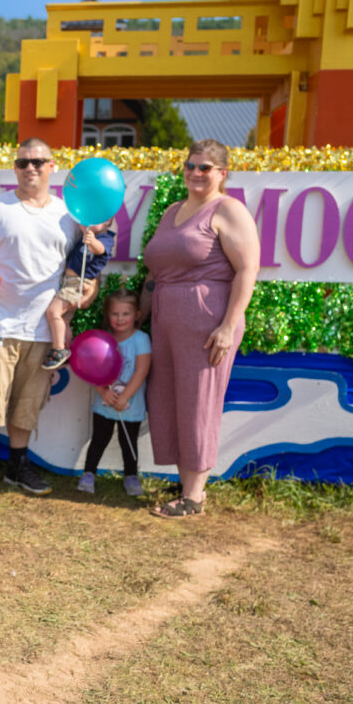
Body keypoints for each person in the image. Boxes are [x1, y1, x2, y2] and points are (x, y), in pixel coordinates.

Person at [0, 138, 79, 502]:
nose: (31, 168)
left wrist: (83, 296)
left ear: (53, 166)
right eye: (23, 162)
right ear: (15, 168)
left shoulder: (69, 215)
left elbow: (83, 267)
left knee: (28, 403)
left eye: (38, 162)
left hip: (43, 331)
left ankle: (17, 467)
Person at [141, 139, 259, 517]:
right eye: (190, 165)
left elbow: (247, 270)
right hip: (166, 318)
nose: (195, 173)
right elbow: (156, 270)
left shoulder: (229, 210)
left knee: (198, 402)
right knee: (170, 400)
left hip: (207, 320)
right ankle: (187, 483)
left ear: (223, 173)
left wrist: (228, 325)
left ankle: (193, 498)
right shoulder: (174, 210)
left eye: (205, 168)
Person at [78, 288, 151, 497]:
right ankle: (89, 473)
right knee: (99, 439)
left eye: (126, 314)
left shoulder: (141, 339)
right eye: (115, 314)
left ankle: (131, 476)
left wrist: (125, 396)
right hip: (105, 403)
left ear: (136, 315)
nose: (120, 319)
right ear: (108, 315)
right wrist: (102, 392)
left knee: (128, 442)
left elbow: (142, 370)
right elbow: (91, 368)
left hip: (131, 404)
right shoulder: (102, 339)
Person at [42, 219, 115, 370]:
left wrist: (92, 242)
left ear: (108, 221)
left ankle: (59, 350)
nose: (88, 222)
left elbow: (100, 250)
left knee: (53, 312)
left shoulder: (104, 238)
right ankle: (66, 348)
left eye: (96, 218)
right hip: (70, 282)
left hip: (76, 284)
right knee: (64, 320)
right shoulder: (84, 236)